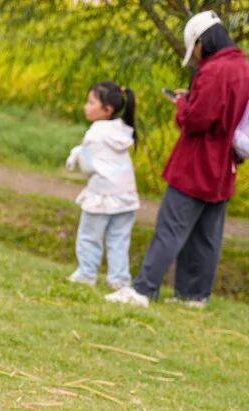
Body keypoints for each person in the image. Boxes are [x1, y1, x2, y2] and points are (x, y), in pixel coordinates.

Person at [107, 11, 249, 307]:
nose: (195, 57)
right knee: (206, 235)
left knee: (170, 228)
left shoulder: (214, 71)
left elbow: (198, 120)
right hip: (224, 166)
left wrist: (183, 103)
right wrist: (193, 98)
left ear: (201, 41)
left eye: (194, 49)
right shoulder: (242, 67)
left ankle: (143, 290)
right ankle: (193, 295)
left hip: (197, 164)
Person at [64, 81, 140, 289]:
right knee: (119, 240)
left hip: (102, 195)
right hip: (126, 195)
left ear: (107, 110)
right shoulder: (123, 130)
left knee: (90, 236)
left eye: (91, 103)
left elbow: (88, 167)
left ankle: (87, 273)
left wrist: (76, 155)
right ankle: (119, 279)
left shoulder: (95, 132)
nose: (86, 107)